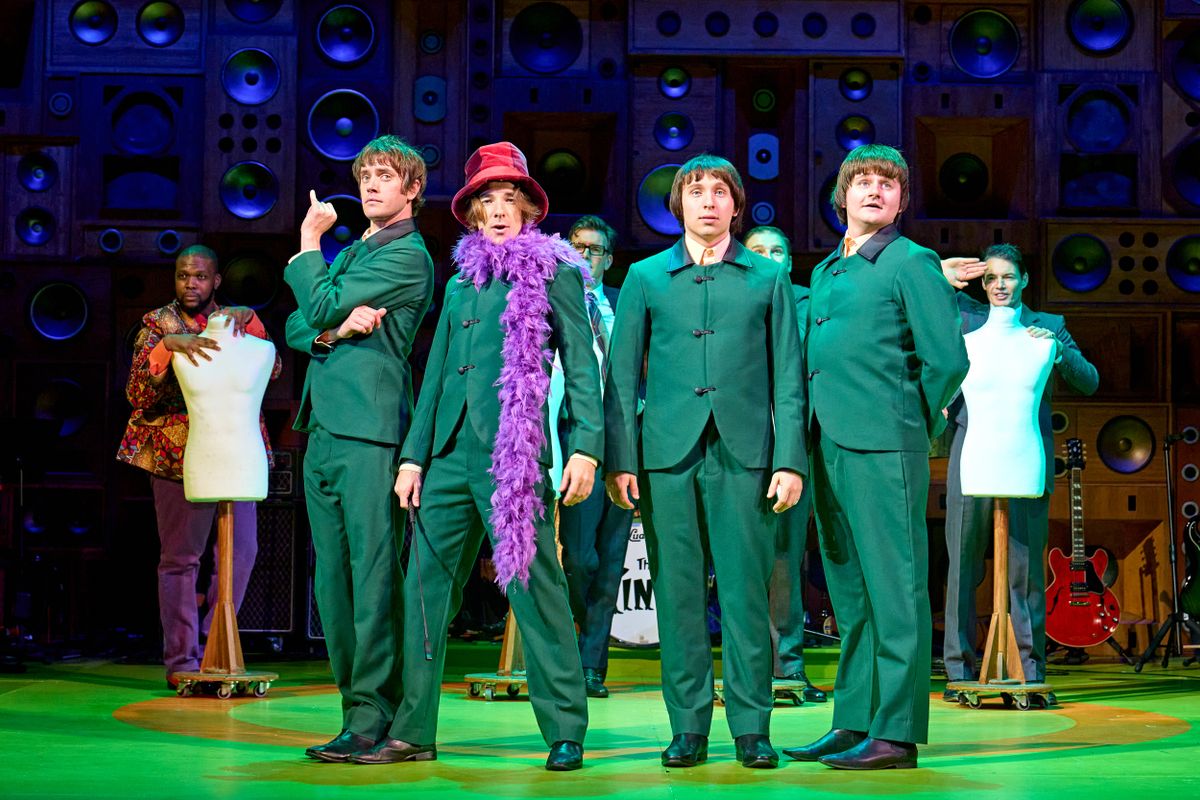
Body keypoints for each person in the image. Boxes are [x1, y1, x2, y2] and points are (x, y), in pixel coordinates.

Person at [353, 141, 603, 772]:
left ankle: (565, 729)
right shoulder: (464, 279)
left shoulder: (557, 272)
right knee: (423, 591)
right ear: (470, 214)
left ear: (527, 209)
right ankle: (413, 730)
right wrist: (413, 458)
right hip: (446, 458)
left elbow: (582, 365)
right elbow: (436, 373)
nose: (498, 210)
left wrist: (586, 448)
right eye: (486, 200)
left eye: (509, 199)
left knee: (534, 588)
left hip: (511, 459)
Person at [605, 155, 807, 769]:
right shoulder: (644, 277)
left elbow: (789, 378)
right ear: (679, 207)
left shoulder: (767, 279)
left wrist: (790, 459)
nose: (709, 202)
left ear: (735, 207)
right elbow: (619, 378)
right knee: (678, 593)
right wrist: (622, 458)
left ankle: (752, 728)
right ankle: (688, 727)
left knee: (747, 593)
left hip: (745, 454)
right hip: (666, 454)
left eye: (720, 192)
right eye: (697, 192)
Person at [783, 144, 968, 770]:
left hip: (886, 445)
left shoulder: (911, 263)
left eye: (888, 183)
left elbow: (947, 360)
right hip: (826, 444)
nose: (874, 190)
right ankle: (854, 719)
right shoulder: (828, 273)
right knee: (851, 594)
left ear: (900, 200)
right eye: (862, 180)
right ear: (842, 196)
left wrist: (913, 417)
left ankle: (896, 731)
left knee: (896, 591)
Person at [284, 135, 435, 762]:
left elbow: (311, 300)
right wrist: (335, 329)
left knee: (371, 576)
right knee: (332, 583)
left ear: (412, 190)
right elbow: (300, 324)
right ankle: (357, 709)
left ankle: (375, 710)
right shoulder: (356, 254)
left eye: (386, 175)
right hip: (324, 428)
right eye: (366, 174)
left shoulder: (407, 257)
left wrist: (307, 246)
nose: (372, 184)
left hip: (370, 433)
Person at [117, 245, 281, 688]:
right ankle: (182, 659)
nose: (191, 284)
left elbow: (273, 369)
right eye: (183, 276)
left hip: (236, 450)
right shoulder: (158, 325)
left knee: (242, 553)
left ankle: (213, 643)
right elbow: (138, 394)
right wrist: (168, 349)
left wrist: (255, 325)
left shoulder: (235, 321)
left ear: (216, 281)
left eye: (200, 277)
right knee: (181, 559)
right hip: (177, 455)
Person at [939, 244, 1099, 700]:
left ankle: (1029, 667)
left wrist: (1058, 353)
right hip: (972, 451)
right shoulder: (964, 320)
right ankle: (959, 669)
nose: (999, 285)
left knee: (1026, 569)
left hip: (1026, 454)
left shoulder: (1048, 326)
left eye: (1008, 277)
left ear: (1024, 279)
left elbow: (1088, 381)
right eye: (990, 278)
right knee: (962, 565)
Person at [551, 214, 634, 699]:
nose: (585, 256)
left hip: (621, 443)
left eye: (595, 250)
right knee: (579, 557)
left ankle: (591, 667)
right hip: (575, 437)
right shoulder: (553, 301)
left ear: (608, 259)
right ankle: (579, 639)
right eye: (577, 247)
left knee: (612, 561)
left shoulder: (624, 302)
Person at [743, 224, 826, 704]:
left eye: (779, 251)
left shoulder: (810, 303)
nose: (771, 258)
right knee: (741, 561)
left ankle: (787, 668)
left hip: (795, 444)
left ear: (790, 262)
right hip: (737, 442)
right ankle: (748, 668)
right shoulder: (731, 293)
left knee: (787, 560)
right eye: (760, 251)